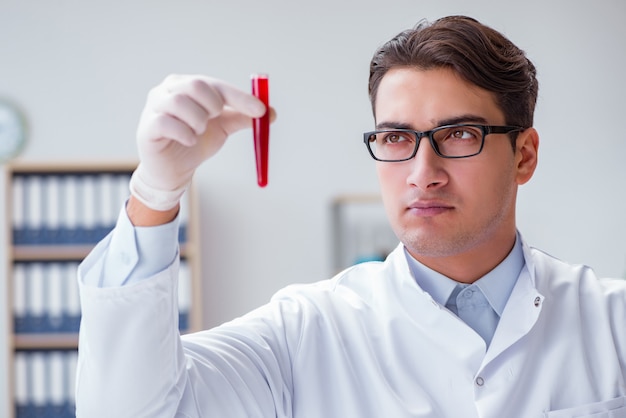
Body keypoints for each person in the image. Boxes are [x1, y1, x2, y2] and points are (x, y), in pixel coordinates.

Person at [75, 15, 626, 417]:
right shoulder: (303, 333)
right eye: (396, 137)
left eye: (459, 134)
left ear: (524, 155)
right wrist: (155, 192)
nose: (421, 171)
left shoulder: (612, 324)